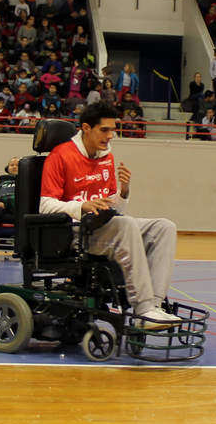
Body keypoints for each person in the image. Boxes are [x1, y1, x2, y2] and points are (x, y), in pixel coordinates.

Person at [39, 103, 181, 329]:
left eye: (112, 130)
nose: (110, 135)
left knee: (165, 227)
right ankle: (143, 309)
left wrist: (123, 192)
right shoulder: (60, 157)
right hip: (74, 234)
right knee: (125, 226)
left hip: (103, 226)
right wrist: (82, 206)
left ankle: (154, 305)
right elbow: (45, 206)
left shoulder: (106, 157)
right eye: (104, 130)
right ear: (86, 128)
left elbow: (114, 210)